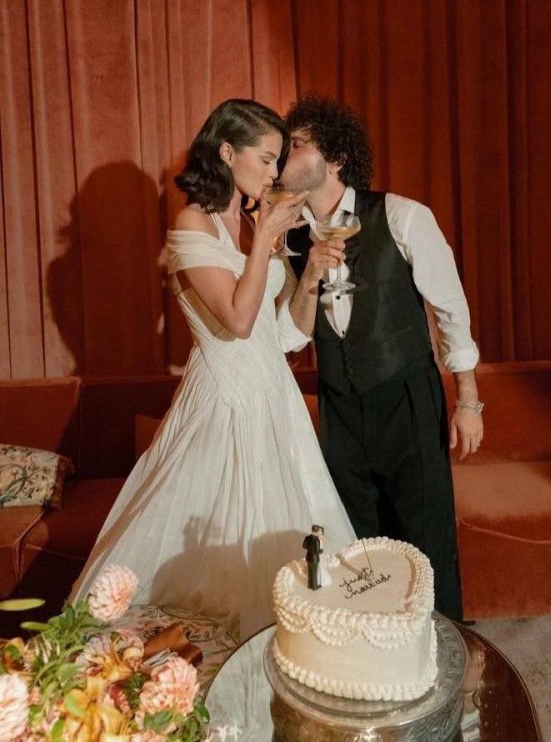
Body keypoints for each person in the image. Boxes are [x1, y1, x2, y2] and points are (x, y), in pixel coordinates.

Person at [70, 99, 355, 640]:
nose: (274, 174)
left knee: (292, 552)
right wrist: (265, 239)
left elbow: (285, 336)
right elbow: (238, 321)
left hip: (275, 402)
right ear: (227, 152)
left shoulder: (250, 223)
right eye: (266, 160)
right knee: (207, 571)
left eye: (278, 162)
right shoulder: (191, 223)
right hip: (223, 401)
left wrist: (311, 274)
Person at [279, 94, 483, 621]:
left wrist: (468, 402)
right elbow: (288, 338)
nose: (284, 154)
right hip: (339, 408)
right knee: (356, 542)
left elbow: (450, 309)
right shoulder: (289, 240)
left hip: (406, 395)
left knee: (425, 534)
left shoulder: (401, 215)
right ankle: (373, 649)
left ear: (335, 159)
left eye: (297, 144)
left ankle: (439, 645)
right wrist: (307, 270)